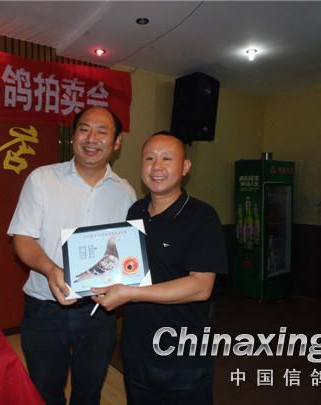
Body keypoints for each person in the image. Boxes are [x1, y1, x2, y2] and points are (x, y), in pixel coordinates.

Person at [7, 106, 136, 405]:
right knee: (45, 391)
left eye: (102, 131)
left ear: (116, 142)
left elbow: (125, 253)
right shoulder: (42, 179)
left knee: (89, 392)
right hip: (45, 309)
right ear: (73, 135)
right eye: (84, 129)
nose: (91, 138)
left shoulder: (126, 192)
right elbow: (22, 238)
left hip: (98, 312)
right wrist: (51, 269)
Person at [92, 132, 228, 404]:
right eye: (149, 158)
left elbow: (201, 287)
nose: (156, 166)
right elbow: (128, 268)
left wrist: (130, 294)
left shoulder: (202, 217)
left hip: (183, 356)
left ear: (185, 167)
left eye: (167, 158)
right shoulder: (136, 211)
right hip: (136, 350)